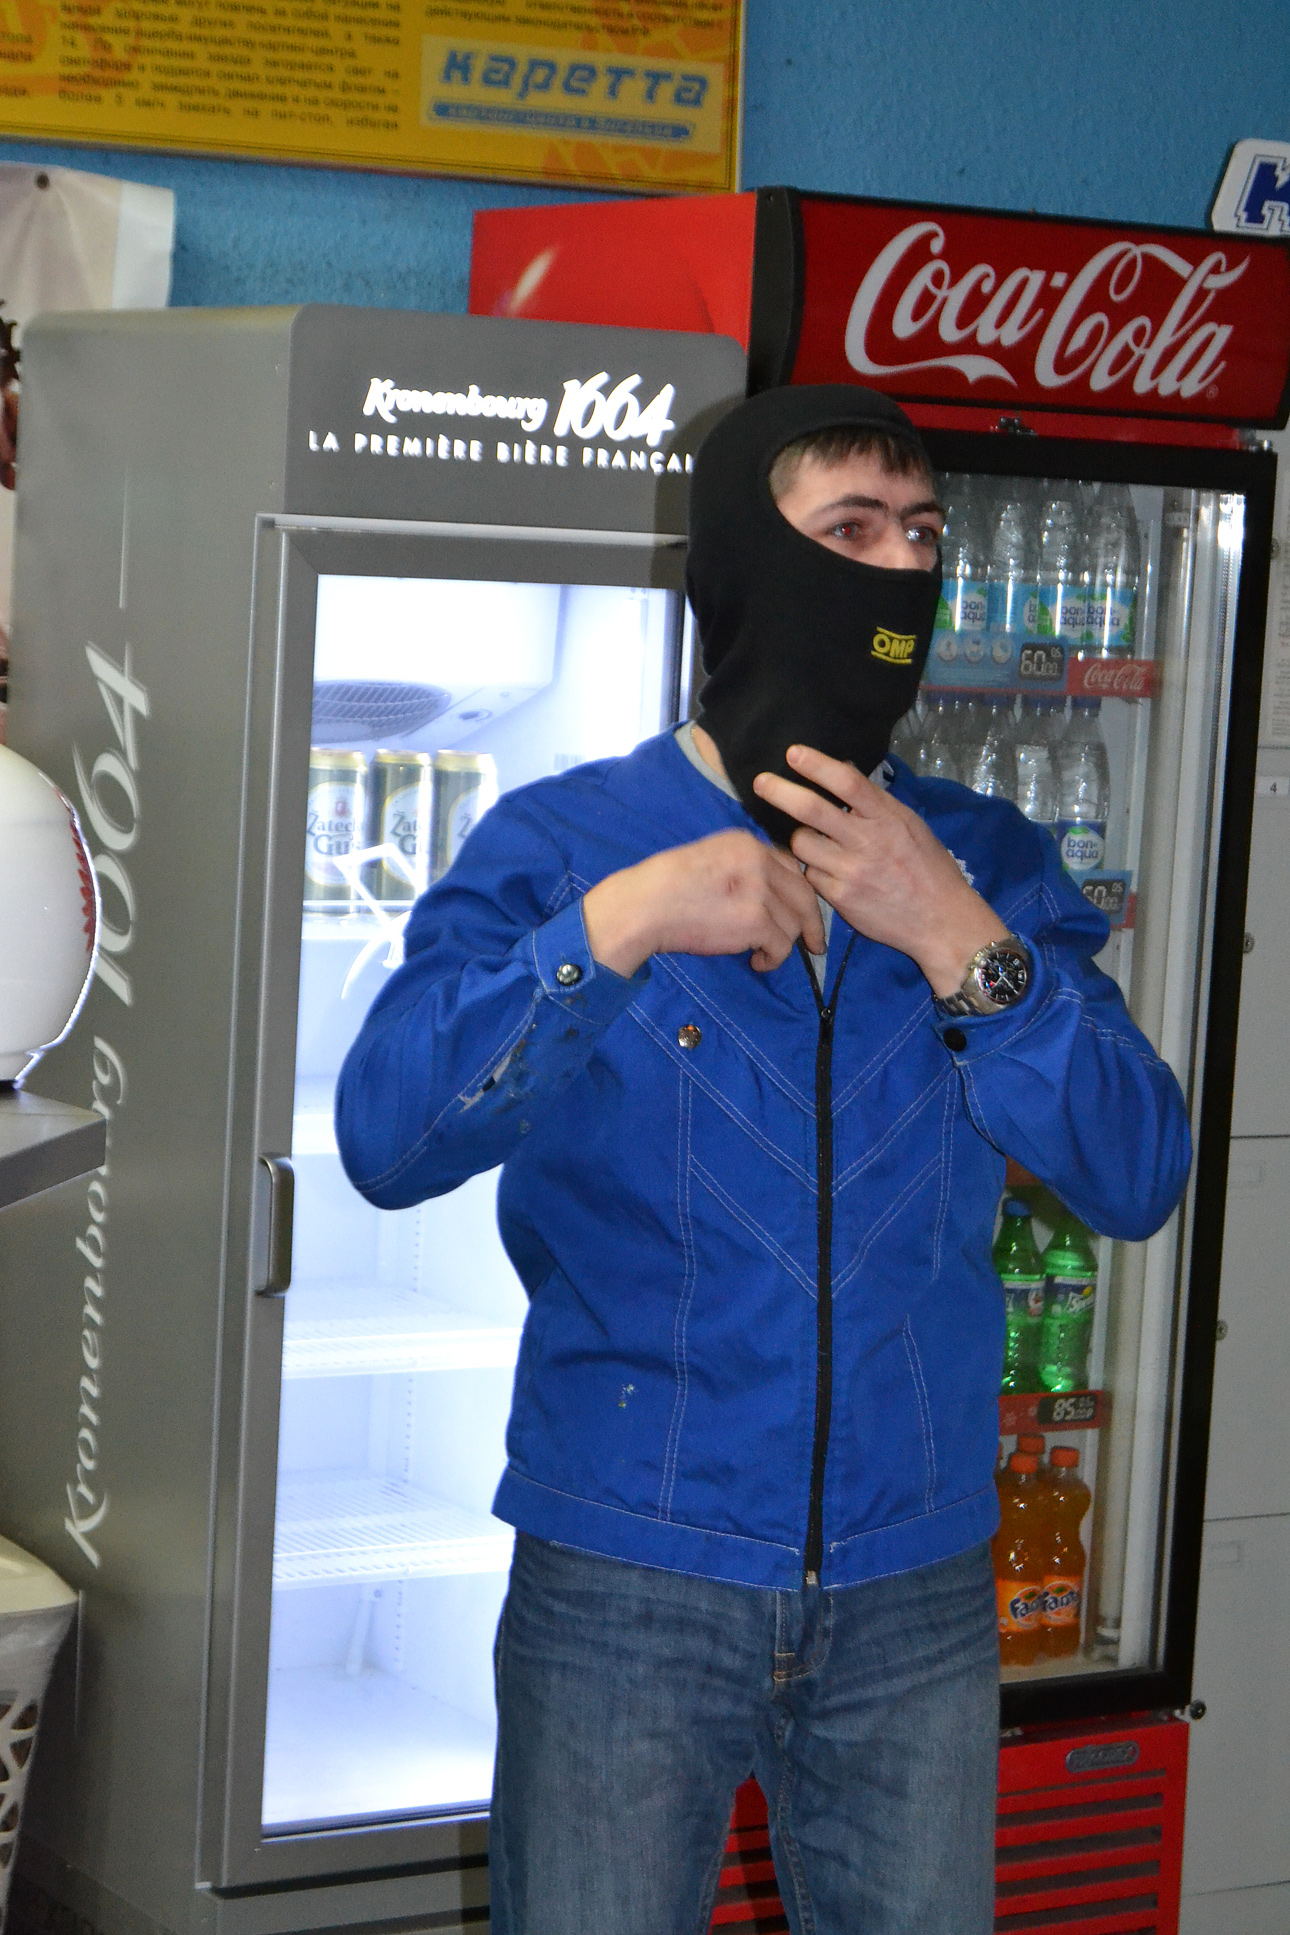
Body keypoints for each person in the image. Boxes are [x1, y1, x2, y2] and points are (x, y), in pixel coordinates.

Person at [335, 385, 1191, 1935]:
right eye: (846, 532)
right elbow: (390, 1140)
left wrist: (958, 938)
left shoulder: (982, 859)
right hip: (629, 1566)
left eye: (919, 535)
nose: (896, 571)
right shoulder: (567, 840)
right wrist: (619, 925)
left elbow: (1135, 1172)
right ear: (742, 564)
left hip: (915, 1576)